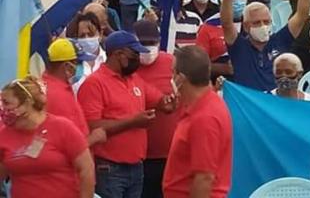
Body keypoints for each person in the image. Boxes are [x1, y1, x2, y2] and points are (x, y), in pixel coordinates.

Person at [76, 31, 176, 198]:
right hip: (109, 169)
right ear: (118, 54)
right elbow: (93, 127)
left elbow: (159, 101)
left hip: (136, 167)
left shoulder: (134, 79)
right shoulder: (95, 83)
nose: (138, 58)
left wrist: (168, 103)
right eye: (134, 53)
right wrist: (132, 122)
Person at [0, 76, 96, 198]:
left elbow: (86, 169)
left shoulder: (62, 127)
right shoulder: (3, 134)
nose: (3, 108)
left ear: (27, 103)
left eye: (6, 103)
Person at [220, 0, 310, 91]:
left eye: (266, 21)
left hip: (274, 105)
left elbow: (302, 15)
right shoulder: (238, 46)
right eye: (257, 23)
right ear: (246, 26)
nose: (263, 26)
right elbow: (226, 23)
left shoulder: (280, 40)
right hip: (248, 104)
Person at [163, 46, 233, 198]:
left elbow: (204, 178)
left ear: (180, 78)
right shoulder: (204, 104)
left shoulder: (205, 118)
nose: (170, 76)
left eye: (172, 71)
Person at [133, 20, 181, 198]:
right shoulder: (127, 68)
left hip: (171, 153)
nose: (148, 48)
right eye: (142, 43)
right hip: (141, 157)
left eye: (152, 43)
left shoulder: (172, 63)